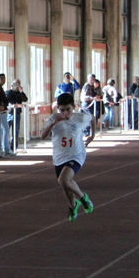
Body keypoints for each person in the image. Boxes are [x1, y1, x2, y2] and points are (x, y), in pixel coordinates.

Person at [40, 92, 95, 222]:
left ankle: (83, 198)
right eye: (62, 110)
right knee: (66, 186)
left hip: (76, 155)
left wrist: (92, 135)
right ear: (58, 109)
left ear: (73, 107)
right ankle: (73, 205)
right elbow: (42, 136)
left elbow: (92, 117)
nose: (65, 113)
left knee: (63, 180)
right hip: (59, 157)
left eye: (68, 110)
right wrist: (52, 124)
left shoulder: (80, 118)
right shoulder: (54, 118)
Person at [6, 80, 28, 152]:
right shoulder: (9, 92)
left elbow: (25, 99)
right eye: (15, 84)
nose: (17, 85)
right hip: (9, 113)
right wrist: (12, 90)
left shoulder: (20, 93)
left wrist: (21, 91)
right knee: (6, 130)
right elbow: (7, 99)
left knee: (15, 131)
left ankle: (13, 147)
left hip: (17, 113)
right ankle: (5, 147)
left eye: (18, 84)